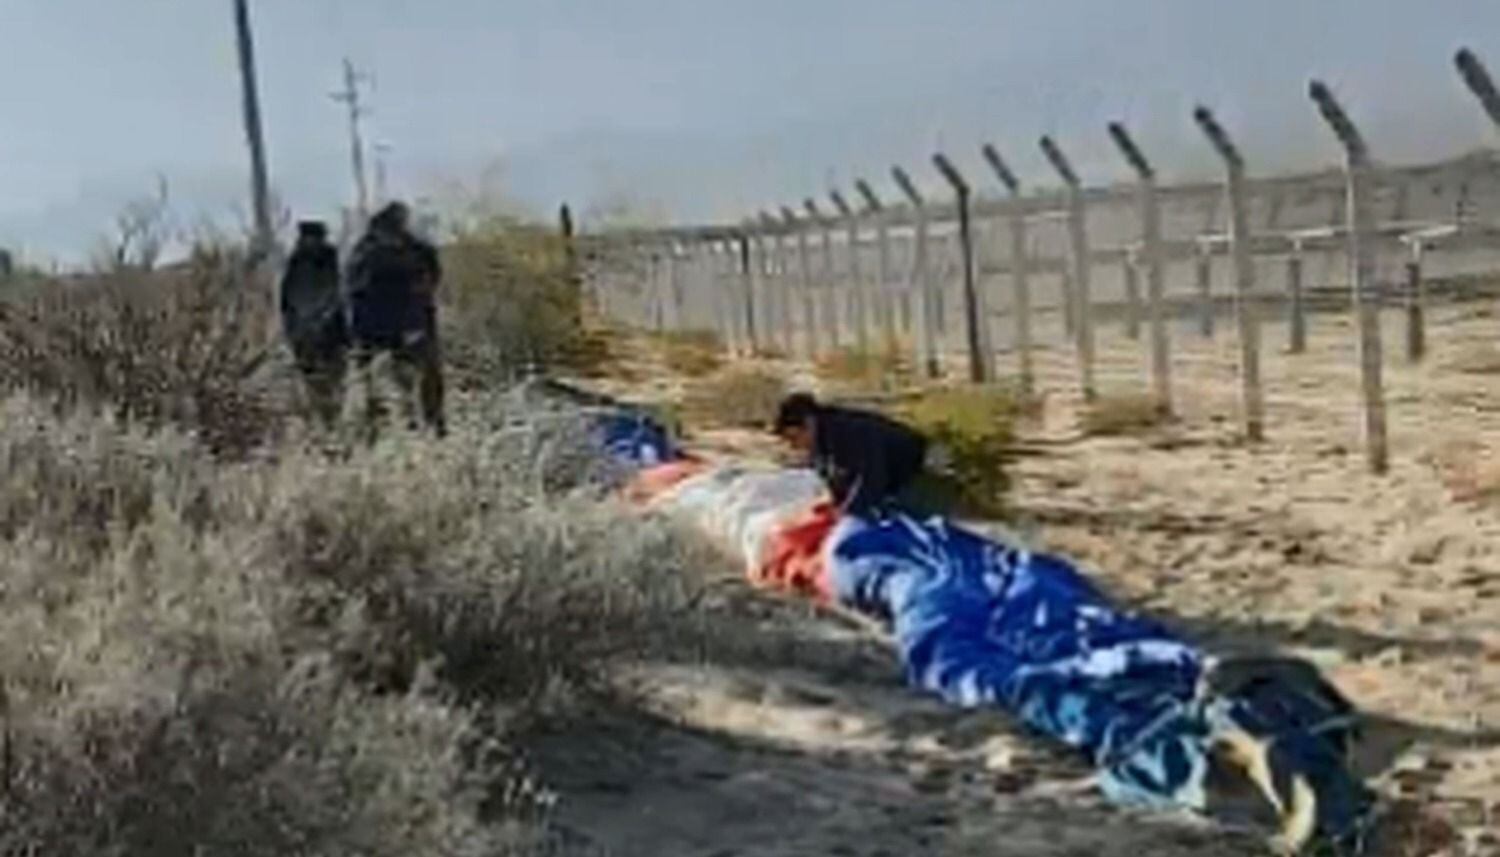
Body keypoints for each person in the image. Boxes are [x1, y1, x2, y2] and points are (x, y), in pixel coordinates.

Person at [345, 201, 447, 437]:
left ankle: (378, 433)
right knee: (421, 385)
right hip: (411, 328)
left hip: (374, 334)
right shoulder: (414, 251)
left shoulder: (362, 252)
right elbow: (431, 279)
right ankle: (429, 429)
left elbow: (353, 292)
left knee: (375, 389)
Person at [772, 392, 930, 517]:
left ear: (809, 423)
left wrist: (848, 515)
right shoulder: (819, 444)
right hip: (883, 478)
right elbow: (835, 483)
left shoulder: (848, 432)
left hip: (909, 472)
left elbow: (870, 479)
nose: (793, 446)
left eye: (794, 438)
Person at [279, 220, 349, 426]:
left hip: (304, 338)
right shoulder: (329, 260)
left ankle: (322, 426)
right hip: (330, 336)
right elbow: (338, 298)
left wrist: (293, 335)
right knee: (333, 385)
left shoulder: (294, 263)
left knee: (315, 387)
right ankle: (331, 426)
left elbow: (286, 305)